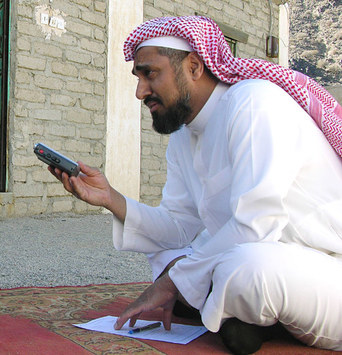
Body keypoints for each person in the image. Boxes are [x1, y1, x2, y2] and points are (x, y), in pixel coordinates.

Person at [49, 15, 342, 354]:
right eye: (138, 77)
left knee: (247, 267)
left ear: (194, 66)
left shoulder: (254, 104)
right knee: (168, 254)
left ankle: (238, 311)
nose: (140, 91)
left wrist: (173, 284)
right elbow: (178, 225)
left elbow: (256, 225)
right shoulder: (184, 136)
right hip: (264, 260)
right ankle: (238, 313)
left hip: (326, 267)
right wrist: (111, 198)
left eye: (150, 74)